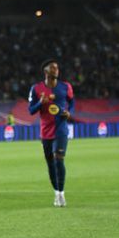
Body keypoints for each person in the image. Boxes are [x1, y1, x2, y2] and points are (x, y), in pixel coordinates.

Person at [28, 59, 74, 207]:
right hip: (45, 132)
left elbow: (72, 101)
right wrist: (40, 103)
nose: (56, 70)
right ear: (46, 72)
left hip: (61, 130)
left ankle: (61, 193)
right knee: (50, 164)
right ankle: (56, 192)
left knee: (58, 159)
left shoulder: (65, 86)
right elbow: (31, 111)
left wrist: (69, 112)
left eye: (57, 67)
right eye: (53, 68)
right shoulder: (36, 89)